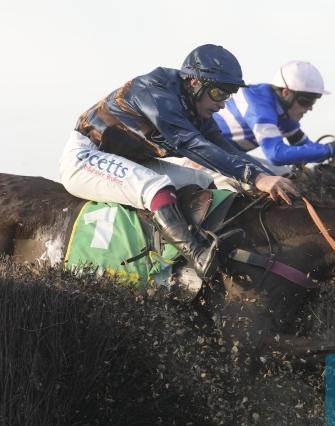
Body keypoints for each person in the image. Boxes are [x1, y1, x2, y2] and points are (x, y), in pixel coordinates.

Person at [59, 44, 298, 279]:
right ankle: (196, 255)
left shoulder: (193, 104)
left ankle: (198, 244)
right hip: (85, 157)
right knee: (155, 187)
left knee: (202, 181)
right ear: (195, 83)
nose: (222, 104)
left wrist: (269, 177)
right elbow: (192, 145)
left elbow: (224, 148)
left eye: (227, 95)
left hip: (131, 160)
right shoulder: (155, 94)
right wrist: (255, 177)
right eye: (218, 93)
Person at [212, 60, 335, 176]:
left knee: (289, 177)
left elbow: (303, 146)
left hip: (227, 156)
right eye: (306, 101)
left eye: (314, 101)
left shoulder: (281, 107)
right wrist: (329, 149)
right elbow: (276, 155)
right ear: (286, 93)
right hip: (205, 159)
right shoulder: (260, 106)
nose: (310, 108)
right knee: (272, 182)